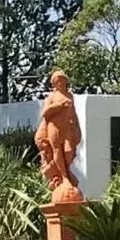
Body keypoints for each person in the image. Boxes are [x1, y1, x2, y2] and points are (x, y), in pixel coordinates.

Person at [34, 70, 83, 202]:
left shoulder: (70, 95)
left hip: (67, 128)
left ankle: (65, 173)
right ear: (54, 83)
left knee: (68, 152)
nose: (61, 83)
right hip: (54, 128)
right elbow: (45, 113)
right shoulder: (52, 97)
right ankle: (64, 177)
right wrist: (60, 105)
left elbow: (73, 113)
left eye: (63, 80)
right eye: (58, 80)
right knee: (57, 150)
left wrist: (77, 128)